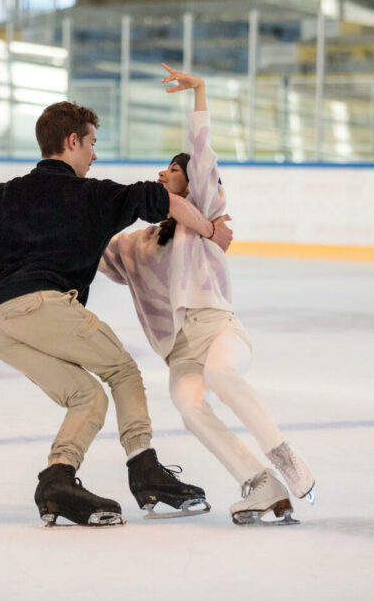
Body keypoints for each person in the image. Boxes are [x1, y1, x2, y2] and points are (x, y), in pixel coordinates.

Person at [0, 100, 233, 527]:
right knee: (124, 372)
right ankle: (145, 471)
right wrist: (211, 231)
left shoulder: (3, 194)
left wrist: (11, 237)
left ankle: (57, 480)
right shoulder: (96, 195)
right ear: (72, 140)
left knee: (86, 396)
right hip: (42, 304)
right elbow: (166, 201)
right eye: (92, 143)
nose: (94, 154)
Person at [98, 64, 316, 526]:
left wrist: (200, 92)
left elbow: (202, 154)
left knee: (221, 374)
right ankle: (259, 483)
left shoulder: (206, 220)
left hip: (217, 328)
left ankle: (285, 458)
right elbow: (89, 252)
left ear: (191, 180)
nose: (164, 171)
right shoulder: (138, 244)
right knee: (190, 406)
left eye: (174, 169)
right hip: (179, 350)